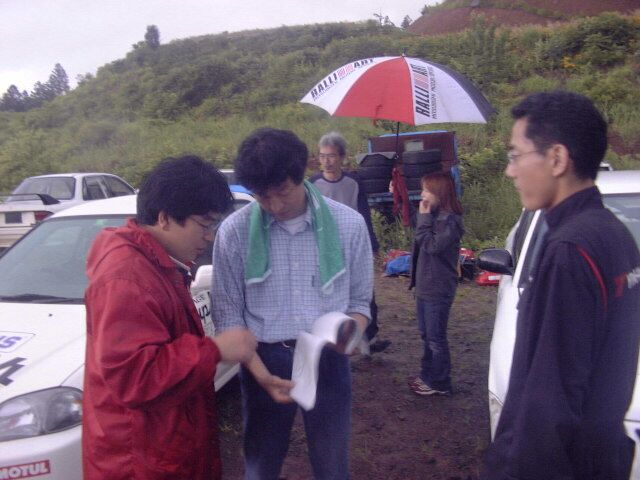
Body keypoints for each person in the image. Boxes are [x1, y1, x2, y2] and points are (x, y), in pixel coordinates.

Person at [483, 91, 640, 479]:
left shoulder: (570, 250)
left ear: (556, 159)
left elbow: (549, 398)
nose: (510, 171)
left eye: (516, 155)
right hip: (601, 457)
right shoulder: (616, 235)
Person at [211, 127, 373, 479]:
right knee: (261, 464)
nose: (274, 206)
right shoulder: (234, 232)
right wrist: (262, 375)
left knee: (332, 465)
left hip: (329, 359)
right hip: (264, 359)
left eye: (282, 191)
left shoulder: (349, 225)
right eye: (261, 196)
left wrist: (350, 335)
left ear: (303, 172)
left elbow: (360, 302)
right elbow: (229, 316)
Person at [82, 155, 257, 480]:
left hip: (166, 445)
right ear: (164, 218)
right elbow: (136, 377)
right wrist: (215, 349)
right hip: (141, 460)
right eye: (204, 224)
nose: (210, 236)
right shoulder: (127, 278)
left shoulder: (160, 264)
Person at [309, 131, 389, 353]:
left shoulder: (354, 182)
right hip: (325, 247)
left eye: (331, 156)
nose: (326, 161)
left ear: (342, 157)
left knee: (364, 290)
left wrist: (372, 245)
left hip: (352, 245)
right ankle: (333, 339)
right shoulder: (312, 184)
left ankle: (369, 338)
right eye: (322, 156)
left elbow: (364, 215)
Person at [407, 172, 464, 396]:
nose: (422, 194)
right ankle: (427, 376)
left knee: (436, 339)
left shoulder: (450, 221)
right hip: (425, 286)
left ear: (440, 193)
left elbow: (431, 245)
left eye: (427, 190)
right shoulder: (433, 215)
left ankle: (440, 383)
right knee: (426, 335)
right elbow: (418, 231)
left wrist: (423, 218)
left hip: (438, 288)